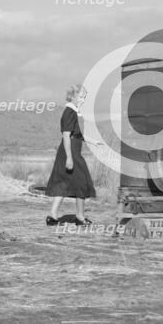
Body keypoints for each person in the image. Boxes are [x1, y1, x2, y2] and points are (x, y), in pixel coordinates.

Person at [45, 84, 96, 226]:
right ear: (72, 96)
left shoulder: (75, 112)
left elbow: (78, 135)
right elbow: (66, 136)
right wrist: (69, 158)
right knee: (82, 183)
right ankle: (80, 217)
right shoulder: (69, 111)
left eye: (84, 98)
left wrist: (94, 142)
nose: (83, 100)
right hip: (70, 152)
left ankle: (53, 216)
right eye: (81, 97)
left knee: (64, 183)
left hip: (73, 150)